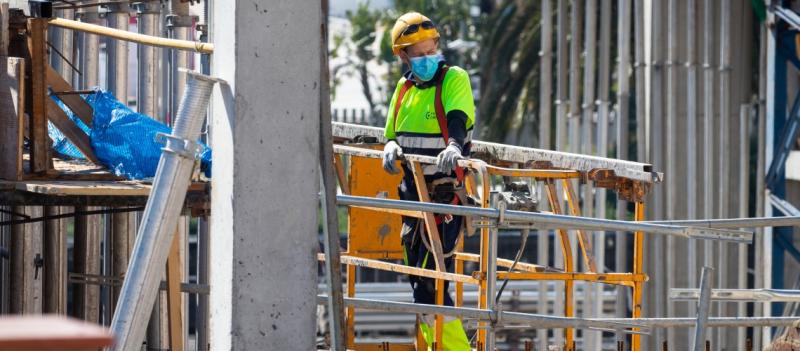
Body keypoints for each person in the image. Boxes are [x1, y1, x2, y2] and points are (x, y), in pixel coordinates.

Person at [381, 11, 474, 351]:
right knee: (419, 282)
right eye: (417, 54)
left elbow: (458, 115)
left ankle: (456, 349)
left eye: (429, 49)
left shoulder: (453, 78)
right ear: (402, 56)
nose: (425, 59)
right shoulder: (404, 88)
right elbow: (391, 131)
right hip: (412, 201)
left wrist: (454, 143)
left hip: (442, 200)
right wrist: (390, 144)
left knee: (430, 284)